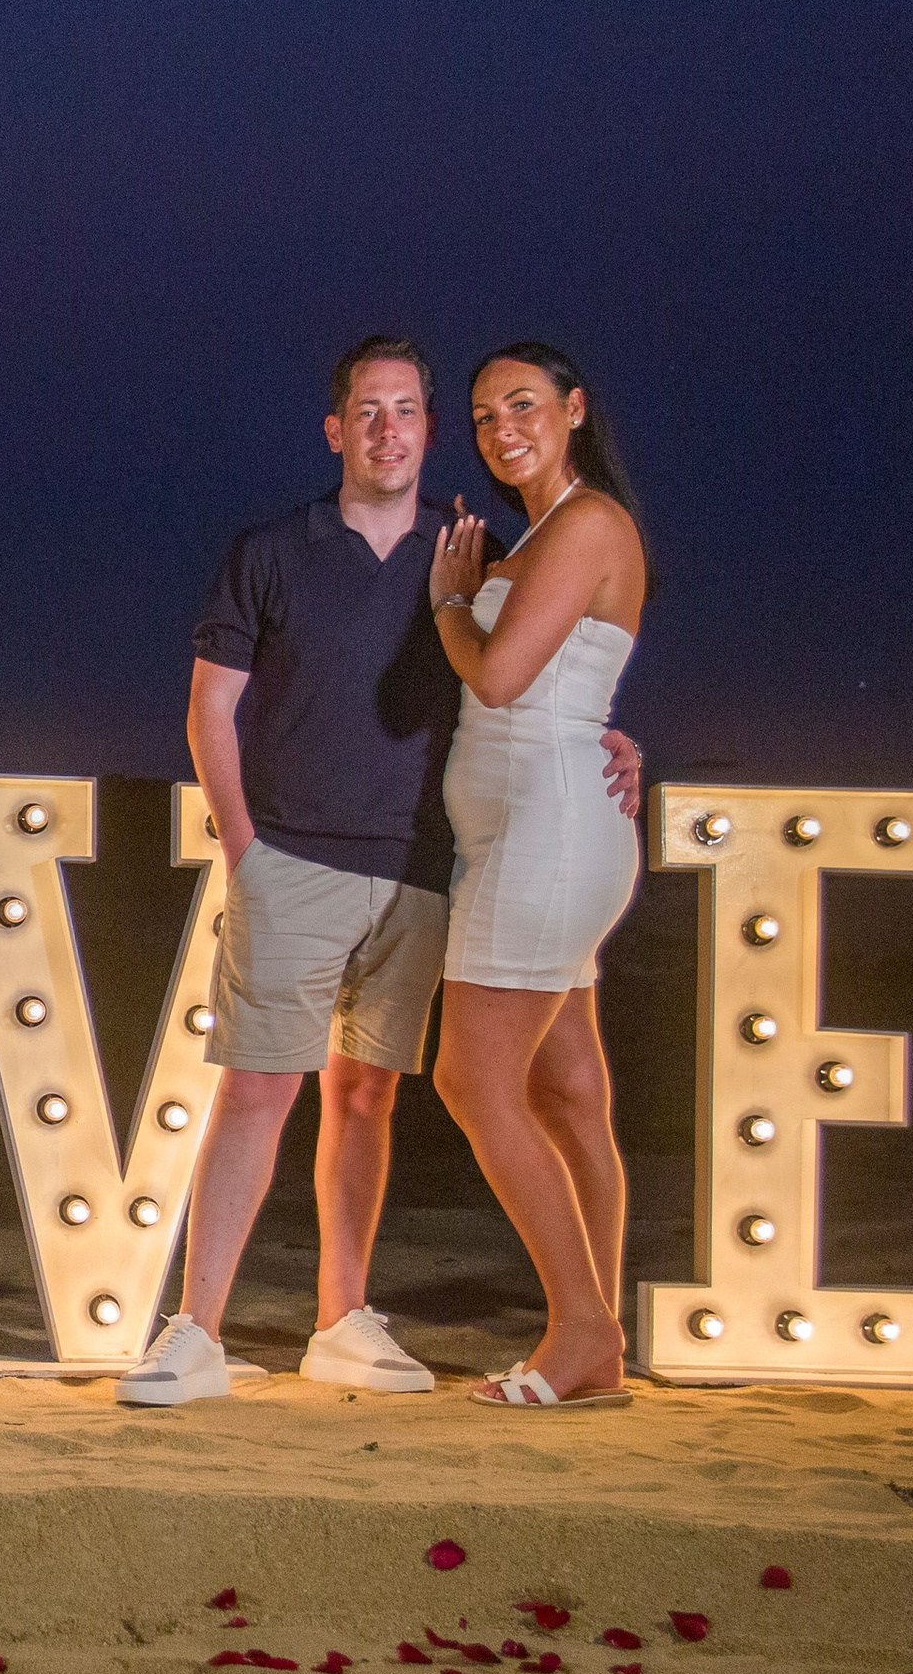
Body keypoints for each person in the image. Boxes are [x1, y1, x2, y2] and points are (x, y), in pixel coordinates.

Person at [120, 337, 639, 1407]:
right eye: (367, 411)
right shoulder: (281, 549)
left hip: (427, 869)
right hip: (304, 855)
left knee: (377, 1097)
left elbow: (534, 671)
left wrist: (612, 743)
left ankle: (357, 1318)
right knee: (272, 1090)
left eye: (408, 411)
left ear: (425, 430)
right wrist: (242, 845)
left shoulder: (476, 549)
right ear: (335, 428)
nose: (388, 430)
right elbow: (211, 702)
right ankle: (195, 1328)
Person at [426, 341, 647, 1410]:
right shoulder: (540, 540)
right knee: (565, 1092)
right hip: (535, 833)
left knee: (470, 1080)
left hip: (549, 835)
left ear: (572, 406)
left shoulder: (590, 523)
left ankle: (580, 1329)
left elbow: (507, 678)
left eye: (521, 403)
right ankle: (596, 1339)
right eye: (480, 415)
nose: (500, 426)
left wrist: (446, 609)